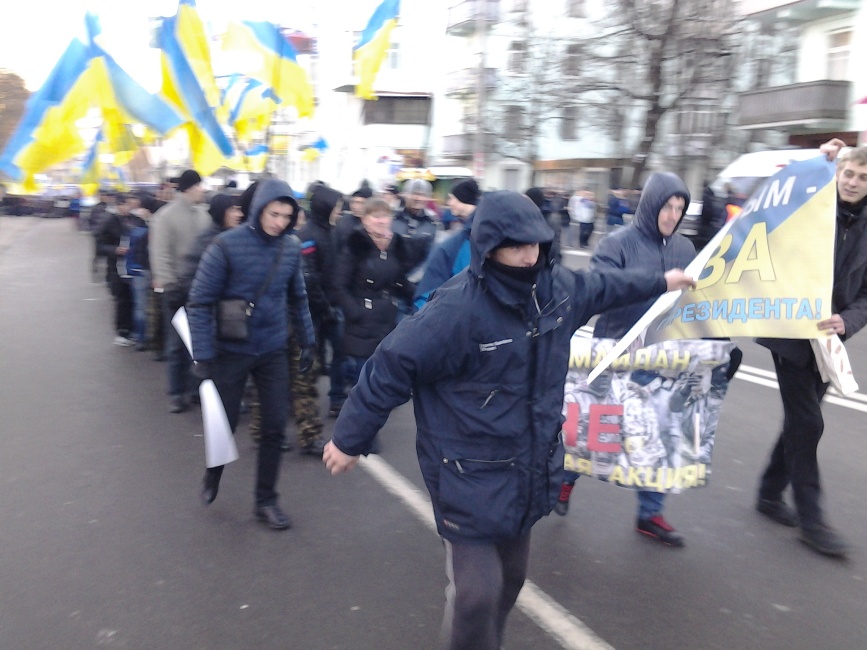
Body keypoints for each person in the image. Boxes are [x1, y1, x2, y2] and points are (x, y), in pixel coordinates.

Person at [322, 190, 695, 650]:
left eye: (535, 243)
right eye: (516, 246)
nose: (529, 255)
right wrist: (349, 439)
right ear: (489, 246)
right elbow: (391, 366)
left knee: (512, 579)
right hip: (466, 472)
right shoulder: (456, 309)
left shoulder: (558, 289)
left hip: (527, 468)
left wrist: (662, 280)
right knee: (477, 594)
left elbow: (605, 286)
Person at [554, 172, 696, 547]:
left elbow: (700, 303)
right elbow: (601, 291)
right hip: (615, 352)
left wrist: (719, 349)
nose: (673, 215)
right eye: (667, 206)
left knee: (658, 435)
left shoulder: (686, 249)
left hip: (664, 357)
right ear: (651, 205)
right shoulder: (616, 243)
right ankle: (564, 480)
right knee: (593, 431)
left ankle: (650, 513)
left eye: (679, 208)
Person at [755, 140, 867, 558]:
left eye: (862, 177)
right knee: (807, 423)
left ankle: (769, 493)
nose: (853, 182)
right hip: (789, 331)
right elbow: (779, 196)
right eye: (848, 173)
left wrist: (848, 320)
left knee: (802, 420)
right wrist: (816, 161)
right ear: (837, 174)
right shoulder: (812, 204)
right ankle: (812, 520)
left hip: (828, 338)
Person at [187, 179, 316, 530]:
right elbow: (199, 302)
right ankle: (213, 473)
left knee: (275, 427)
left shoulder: (290, 247)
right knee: (223, 425)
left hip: (272, 348)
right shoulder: (225, 245)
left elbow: (298, 297)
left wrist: (308, 341)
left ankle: (266, 501)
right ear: (259, 208)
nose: (279, 222)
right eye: (274, 214)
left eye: (286, 216)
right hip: (230, 349)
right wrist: (203, 355)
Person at [334, 197, 416, 387]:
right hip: (362, 320)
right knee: (363, 376)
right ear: (364, 219)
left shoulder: (396, 244)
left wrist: (420, 296)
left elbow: (400, 279)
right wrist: (355, 311)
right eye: (376, 216)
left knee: (383, 373)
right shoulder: (355, 244)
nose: (381, 221)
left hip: (388, 317)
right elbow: (339, 284)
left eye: (385, 216)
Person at [150, 169, 211, 413]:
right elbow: (160, 253)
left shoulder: (203, 214)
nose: (203, 190)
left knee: (199, 342)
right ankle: (176, 392)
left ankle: (196, 389)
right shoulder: (166, 216)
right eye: (199, 186)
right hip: (177, 289)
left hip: (201, 288)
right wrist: (169, 284)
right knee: (177, 343)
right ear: (190, 188)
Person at [297, 185, 346, 416]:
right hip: (314, 310)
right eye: (336, 207)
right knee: (310, 359)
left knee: (341, 352)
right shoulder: (307, 235)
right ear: (325, 207)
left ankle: (337, 398)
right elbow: (309, 278)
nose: (339, 211)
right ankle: (305, 405)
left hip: (333, 305)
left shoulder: (333, 231)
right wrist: (325, 306)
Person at [413, 178, 480, 311]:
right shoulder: (470, 234)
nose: (449, 203)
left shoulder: (460, 242)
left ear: (462, 199)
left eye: (452, 198)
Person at [95, 193, 145, 346]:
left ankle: (135, 330)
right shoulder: (109, 221)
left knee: (135, 300)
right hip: (117, 267)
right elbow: (100, 246)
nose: (130, 208)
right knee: (122, 300)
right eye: (127, 204)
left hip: (135, 266)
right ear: (119, 205)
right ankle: (122, 332)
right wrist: (115, 250)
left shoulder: (137, 219)